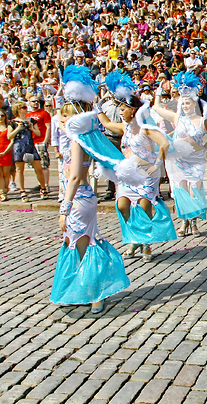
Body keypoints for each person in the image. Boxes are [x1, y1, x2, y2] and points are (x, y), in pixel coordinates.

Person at [51, 66, 131, 313]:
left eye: (66, 116)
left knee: (84, 245)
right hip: (78, 197)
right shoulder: (80, 135)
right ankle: (86, 290)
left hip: (78, 199)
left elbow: (75, 176)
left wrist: (64, 207)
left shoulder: (79, 140)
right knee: (76, 244)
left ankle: (97, 293)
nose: (61, 120)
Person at [97, 71, 177, 261]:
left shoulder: (146, 128)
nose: (120, 112)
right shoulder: (125, 127)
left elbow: (165, 144)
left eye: (123, 109)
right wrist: (98, 104)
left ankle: (146, 243)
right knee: (122, 205)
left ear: (133, 110)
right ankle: (135, 239)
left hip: (147, 174)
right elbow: (107, 123)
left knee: (143, 207)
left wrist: (156, 165)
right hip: (129, 175)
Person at [153, 72, 207, 236]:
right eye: (183, 103)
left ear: (194, 103)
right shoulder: (177, 118)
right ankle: (184, 222)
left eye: (188, 103)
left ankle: (193, 222)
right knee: (181, 191)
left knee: (194, 190)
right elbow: (157, 108)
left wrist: (201, 148)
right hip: (178, 161)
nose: (186, 106)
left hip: (196, 161)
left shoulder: (203, 120)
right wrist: (159, 92)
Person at [7, 101, 49, 202]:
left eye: (25, 107)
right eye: (23, 107)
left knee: (38, 168)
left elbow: (38, 133)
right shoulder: (12, 122)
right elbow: (9, 136)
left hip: (30, 145)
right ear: (17, 109)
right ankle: (22, 191)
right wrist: (18, 129)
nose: (25, 109)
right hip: (18, 146)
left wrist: (31, 128)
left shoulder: (32, 120)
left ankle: (43, 188)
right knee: (19, 170)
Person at [0, 109, 13, 201]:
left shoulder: (9, 126)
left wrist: (5, 152)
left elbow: (12, 140)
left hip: (6, 152)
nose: (0, 117)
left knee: (6, 174)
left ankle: (5, 190)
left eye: (2, 115)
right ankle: (2, 193)